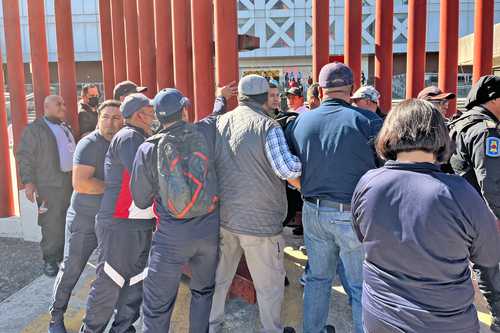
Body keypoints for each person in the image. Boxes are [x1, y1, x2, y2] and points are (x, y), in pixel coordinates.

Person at [352, 98, 500, 333]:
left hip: (381, 314)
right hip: (444, 321)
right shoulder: (460, 192)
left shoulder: (368, 183)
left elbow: (362, 235)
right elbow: (489, 256)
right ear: (441, 134)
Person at [131, 83, 236, 333]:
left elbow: (141, 199)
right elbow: (214, 117)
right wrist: (220, 97)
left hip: (170, 238)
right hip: (208, 234)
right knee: (202, 293)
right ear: (185, 112)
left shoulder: (148, 148)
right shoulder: (204, 132)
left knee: (157, 305)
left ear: (158, 116)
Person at [287, 62, 382, 333]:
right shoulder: (369, 121)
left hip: (313, 211)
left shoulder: (301, 121)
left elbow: (291, 167)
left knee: (318, 278)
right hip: (352, 213)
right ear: (351, 88)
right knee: (359, 284)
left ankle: (312, 330)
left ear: (320, 88)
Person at [209, 75, 300, 333]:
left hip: (226, 218)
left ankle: (212, 324)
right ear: (265, 98)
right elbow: (287, 169)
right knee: (269, 286)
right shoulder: (267, 126)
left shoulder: (220, 122)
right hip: (260, 223)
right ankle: (271, 330)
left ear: (239, 97)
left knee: (220, 279)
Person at [80, 93, 156, 333]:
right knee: (109, 283)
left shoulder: (142, 136)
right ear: (139, 114)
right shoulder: (130, 137)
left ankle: (123, 328)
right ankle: (91, 330)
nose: (154, 114)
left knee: (135, 282)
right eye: (150, 110)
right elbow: (146, 175)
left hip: (138, 223)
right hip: (120, 224)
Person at [48, 100, 123, 333]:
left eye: (116, 118)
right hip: (85, 219)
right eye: (106, 117)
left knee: (110, 274)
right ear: (99, 118)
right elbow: (81, 183)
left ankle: (93, 323)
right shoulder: (90, 144)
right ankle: (55, 317)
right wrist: (118, 187)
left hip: (111, 221)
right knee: (71, 269)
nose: (110, 123)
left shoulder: (123, 143)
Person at [448, 75, 500, 331]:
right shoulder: (485, 130)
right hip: (482, 213)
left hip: (463, 210)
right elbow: (491, 182)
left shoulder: (462, 122)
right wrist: (497, 218)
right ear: (494, 100)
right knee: (491, 266)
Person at [17, 95, 76, 277]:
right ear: (46, 107)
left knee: (68, 220)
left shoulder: (65, 127)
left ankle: (65, 256)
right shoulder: (35, 129)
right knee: (51, 223)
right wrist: (28, 182)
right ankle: (50, 260)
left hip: (69, 183)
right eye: (58, 104)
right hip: (49, 185)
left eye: (63, 103)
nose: (63, 107)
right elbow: (25, 156)